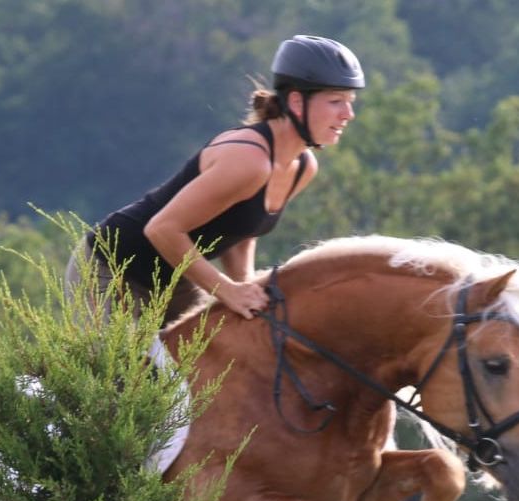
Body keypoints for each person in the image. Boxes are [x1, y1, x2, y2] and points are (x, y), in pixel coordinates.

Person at [66, 34, 364, 326]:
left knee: (219, 365)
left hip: (174, 278)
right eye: (336, 101)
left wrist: (246, 284)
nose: (348, 114)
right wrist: (227, 291)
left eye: (350, 102)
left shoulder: (302, 167)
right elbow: (161, 229)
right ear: (298, 102)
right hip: (111, 269)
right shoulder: (249, 160)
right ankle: (31, 378)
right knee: (118, 375)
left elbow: (242, 228)